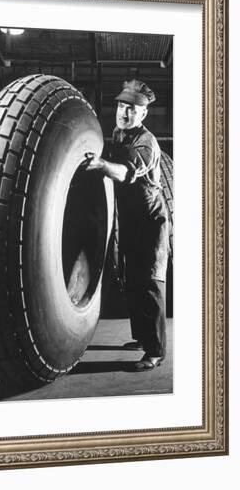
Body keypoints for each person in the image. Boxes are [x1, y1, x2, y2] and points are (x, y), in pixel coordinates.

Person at [83, 79, 168, 371]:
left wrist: (102, 166)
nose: (124, 112)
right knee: (132, 279)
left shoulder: (146, 142)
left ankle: (156, 352)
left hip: (151, 221)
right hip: (130, 218)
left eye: (132, 109)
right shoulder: (120, 134)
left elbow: (125, 172)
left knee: (150, 284)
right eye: (121, 106)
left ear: (143, 114)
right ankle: (143, 339)